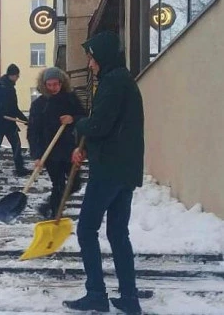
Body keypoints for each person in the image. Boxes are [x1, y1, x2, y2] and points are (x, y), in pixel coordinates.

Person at [62, 31, 144, 315]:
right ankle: (129, 298)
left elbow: (99, 126)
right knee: (118, 232)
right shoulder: (122, 80)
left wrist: (79, 123)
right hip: (124, 169)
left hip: (110, 170)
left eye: (91, 56)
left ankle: (96, 293)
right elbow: (110, 127)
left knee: (86, 229)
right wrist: (86, 147)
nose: (89, 62)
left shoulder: (113, 82)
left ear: (102, 56)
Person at [27, 67, 85, 219]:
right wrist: (37, 155)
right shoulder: (39, 105)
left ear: (61, 82)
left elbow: (84, 117)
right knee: (58, 184)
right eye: (50, 85)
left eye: (56, 84)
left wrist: (73, 119)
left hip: (69, 149)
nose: (53, 88)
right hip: (50, 152)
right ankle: (53, 214)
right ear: (44, 84)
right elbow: (33, 131)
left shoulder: (70, 99)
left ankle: (47, 206)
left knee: (75, 184)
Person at [0, 63, 30, 179]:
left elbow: (14, 108)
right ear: (12, 75)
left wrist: (25, 119)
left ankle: (20, 169)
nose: (17, 78)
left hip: (10, 123)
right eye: (17, 76)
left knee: (17, 145)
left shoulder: (11, 89)